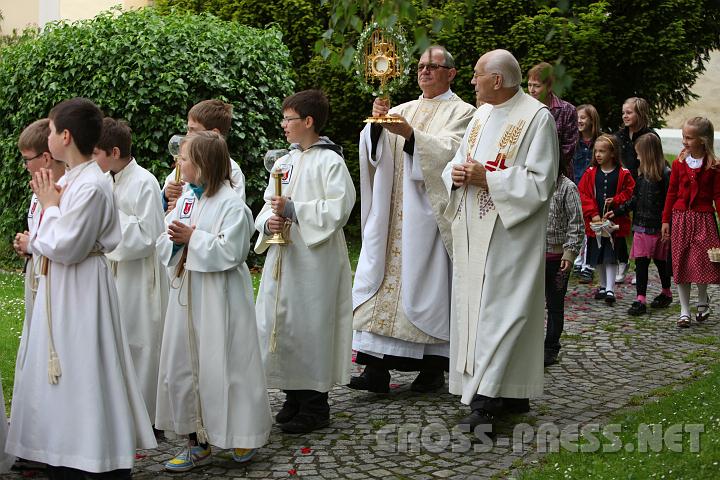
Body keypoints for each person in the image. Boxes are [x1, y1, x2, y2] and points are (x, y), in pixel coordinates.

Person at [6, 97, 156, 479]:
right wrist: (49, 209)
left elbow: (67, 246)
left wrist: (50, 206)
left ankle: (89, 452)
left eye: (53, 130)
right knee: (62, 370)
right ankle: (61, 445)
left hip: (81, 288)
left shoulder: (91, 185)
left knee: (82, 365)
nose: (49, 137)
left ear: (65, 136)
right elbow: (50, 236)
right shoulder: (72, 179)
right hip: (63, 287)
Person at [442, 49, 558, 430]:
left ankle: (487, 402)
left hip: (511, 237)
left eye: (476, 75)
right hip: (475, 232)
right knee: (480, 312)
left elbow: (542, 181)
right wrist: (456, 174)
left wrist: (487, 179)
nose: (471, 81)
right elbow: (459, 160)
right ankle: (511, 391)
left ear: (497, 80)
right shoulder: (481, 115)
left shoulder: (536, 119)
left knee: (502, 314)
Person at [351, 45, 475, 394]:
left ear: (450, 73)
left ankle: (433, 370)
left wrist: (409, 135)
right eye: (421, 66)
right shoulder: (403, 108)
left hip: (427, 220)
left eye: (433, 67)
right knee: (379, 287)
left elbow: (450, 154)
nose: (424, 72)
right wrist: (376, 125)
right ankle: (375, 370)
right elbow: (373, 154)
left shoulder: (464, 112)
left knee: (427, 291)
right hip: (392, 219)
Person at [155, 131, 271, 471]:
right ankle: (197, 441)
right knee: (184, 366)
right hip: (187, 296)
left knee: (227, 365)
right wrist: (176, 241)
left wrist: (194, 238)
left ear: (203, 164)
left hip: (220, 299)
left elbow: (232, 251)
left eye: (186, 158)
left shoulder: (232, 205)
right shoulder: (187, 199)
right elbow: (165, 235)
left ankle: (243, 434)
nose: (179, 162)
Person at [255, 89, 355, 434]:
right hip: (285, 255)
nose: (283, 125)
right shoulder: (285, 161)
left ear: (308, 121)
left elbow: (339, 207)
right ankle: (293, 396)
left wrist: (296, 212)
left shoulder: (331, 161)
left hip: (315, 260)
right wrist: (268, 222)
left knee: (311, 326)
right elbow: (269, 202)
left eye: (289, 119)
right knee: (285, 325)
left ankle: (315, 405)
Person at [92, 117, 168, 425]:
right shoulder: (108, 178)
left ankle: (147, 415)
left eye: (96, 152)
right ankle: (119, 408)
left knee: (141, 341)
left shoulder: (144, 182)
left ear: (113, 151)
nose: (92, 158)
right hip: (113, 270)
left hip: (139, 276)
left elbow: (149, 235)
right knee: (116, 337)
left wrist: (109, 220)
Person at [12, 119, 66, 392]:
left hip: (57, 280)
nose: (25, 166)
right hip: (37, 274)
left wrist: (33, 243)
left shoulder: (64, 190)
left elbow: (61, 239)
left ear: (46, 157)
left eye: (27, 159)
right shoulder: (38, 191)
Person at [662, 117, 720, 328]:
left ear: (703, 141)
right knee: (681, 262)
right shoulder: (679, 163)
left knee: (702, 262)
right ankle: (684, 310)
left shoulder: (713, 166)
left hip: (703, 220)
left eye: (689, 137)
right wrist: (665, 220)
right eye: (683, 136)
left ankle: (702, 299)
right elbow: (672, 192)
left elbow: (718, 195)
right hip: (680, 219)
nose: (684, 141)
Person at [615, 133, 672, 316]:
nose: (637, 157)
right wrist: (617, 211)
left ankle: (666, 291)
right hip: (640, 225)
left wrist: (667, 223)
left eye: (639, 154)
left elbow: (669, 202)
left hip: (658, 227)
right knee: (641, 262)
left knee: (661, 262)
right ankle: (641, 298)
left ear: (647, 153)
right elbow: (635, 199)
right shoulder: (641, 176)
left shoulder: (665, 174)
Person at [578, 134, 635, 305]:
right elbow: (583, 194)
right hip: (596, 224)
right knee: (599, 255)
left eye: (602, 151)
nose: (598, 155)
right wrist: (593, 214)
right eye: (596, 151)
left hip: (613, 224)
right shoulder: (590, 173)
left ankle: (610, 288)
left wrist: (617, 200)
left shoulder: (623, 174)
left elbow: (631, 192)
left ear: (612, 153)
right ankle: (602, 285)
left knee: (611, 255)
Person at [163, 99, 246, 211]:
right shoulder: (185, 162)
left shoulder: (231, 170)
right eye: (188, 129)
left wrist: (181, 207)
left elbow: (233, 212)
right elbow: (161, 210)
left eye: (193, 130)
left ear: (213, 133)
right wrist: (166, 195)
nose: (187, 135)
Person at [543, 154, 583, 367]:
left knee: (555, 305)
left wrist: (569, 253)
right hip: (535, 256)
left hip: (558, 259)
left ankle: (550, 347)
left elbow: (576, 224)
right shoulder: (535, 186)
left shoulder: (568, 188)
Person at [615, 97, 658, 283]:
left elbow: (655, 161)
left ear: (640, 113)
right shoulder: (620, 136)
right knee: (617, 223)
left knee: (640, 228)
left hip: (642, 185)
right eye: (623, 112)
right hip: (623, 185)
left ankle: (641, 265)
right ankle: (622, 262)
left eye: (629, 112)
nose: (625, 116)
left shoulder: (650, 136)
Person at [527, 62, 578, 180]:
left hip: (559, 175)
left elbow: (569, 148)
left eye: (537, 86)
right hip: (529, 174)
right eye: (529, 85)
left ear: (549, 87)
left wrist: (545, 168)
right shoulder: (524, 109)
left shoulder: (567, 110)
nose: (531, 90)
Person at [572, 104, 602, 284]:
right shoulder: (574, 141)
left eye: (583, 117)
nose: (579, 121)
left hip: (593, 190)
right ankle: (577, 260)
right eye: (577, 117)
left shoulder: (600, 142)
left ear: (592, 120)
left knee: (591, 228)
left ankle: (588, 265)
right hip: (576, 188)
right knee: (577, 226)